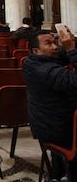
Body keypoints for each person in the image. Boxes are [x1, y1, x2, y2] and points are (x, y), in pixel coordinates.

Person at [23, 29, 77, 180]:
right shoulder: (44, 70)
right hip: (55, 127)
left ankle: (57, 174)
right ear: (36, 50)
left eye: (54, 42)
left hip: (54, 120)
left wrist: (67, 45)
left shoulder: (37, 61)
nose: (54, 47)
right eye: (48, 44)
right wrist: (72, 50)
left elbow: (61, 57)